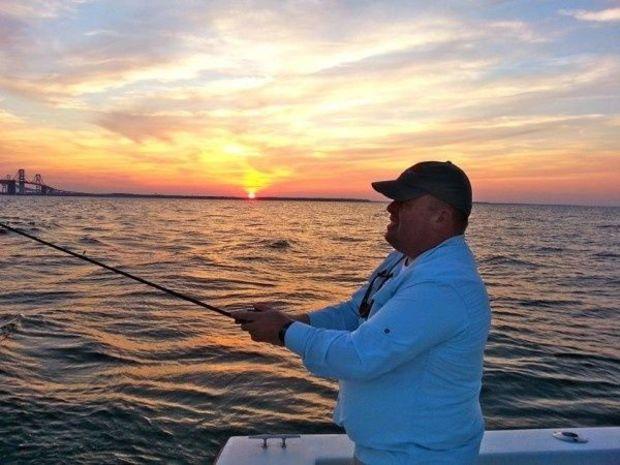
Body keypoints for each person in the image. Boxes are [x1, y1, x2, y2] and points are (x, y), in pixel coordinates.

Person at [235, 161, 491, 465]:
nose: (390, 208)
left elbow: (360, 356)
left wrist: (282, 331)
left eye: (404, 202)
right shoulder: (402, 260)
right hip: (385, 454)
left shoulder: (443, 285)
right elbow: (355, 312)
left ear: (442, 216)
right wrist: (294, 321)